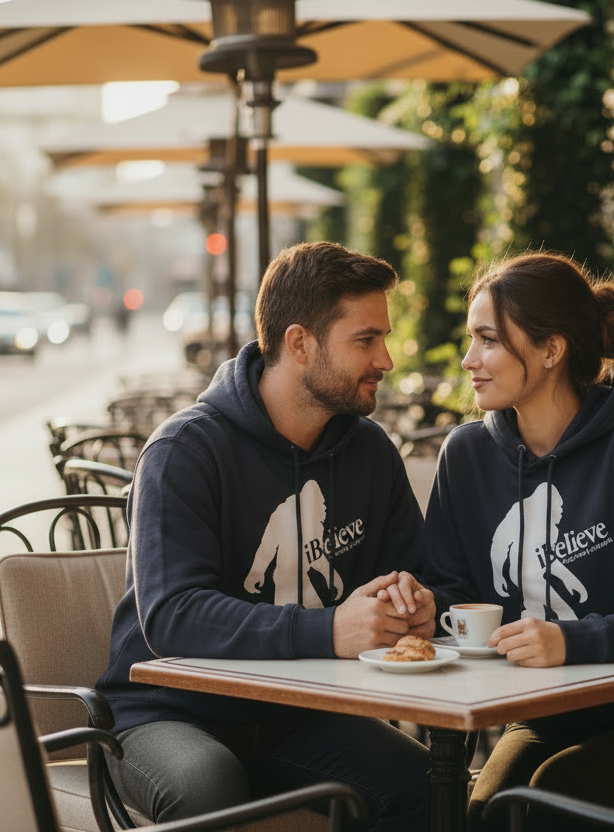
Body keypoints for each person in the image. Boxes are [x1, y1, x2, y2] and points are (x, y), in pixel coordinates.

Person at [96, 242, 435, 830]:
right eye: (365, 339)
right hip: (169, 714)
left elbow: (417, 573)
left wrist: (419, 604)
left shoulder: (370, 451)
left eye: (383, 337)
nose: (386, 359)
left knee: (432, 788)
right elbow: (173, 616)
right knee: (207, 784)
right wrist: (330, 629)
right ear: (299, 343)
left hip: (298, 713)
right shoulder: (185, 452)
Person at [421, 253, 614, 831]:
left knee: (545, 807)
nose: (469, 361)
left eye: (488, 341)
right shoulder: (464, 458)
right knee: (481, 816)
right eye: (471, 340)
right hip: (539, 719)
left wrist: (571, 641)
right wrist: (424, 609)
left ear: (551, 350)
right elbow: (450, 593)